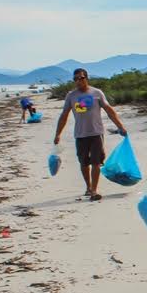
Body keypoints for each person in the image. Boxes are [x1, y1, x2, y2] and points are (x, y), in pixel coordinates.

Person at [54, 68, 128, 201]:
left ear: (86, 78)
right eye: (76, 79)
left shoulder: (97, 93)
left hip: (96, 133)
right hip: (80, 135)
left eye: (81, 78)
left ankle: (94, 190)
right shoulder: (71, 96)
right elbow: (64, 115)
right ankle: (88, 187)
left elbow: (109, 110)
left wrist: (120, 126)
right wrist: (58, 134)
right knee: (83, 163)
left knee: (96, 162)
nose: (79, 81)